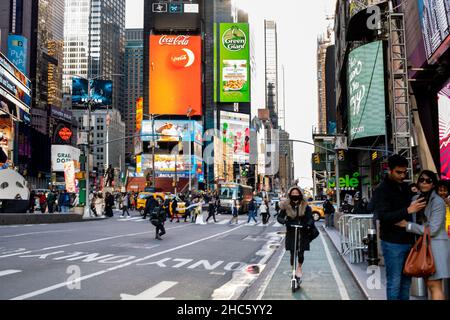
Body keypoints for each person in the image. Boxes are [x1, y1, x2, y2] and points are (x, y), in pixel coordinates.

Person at [371, 154, 427, 300]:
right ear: (389, 170)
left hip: (409, 241)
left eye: (405, 172)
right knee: (394, 283)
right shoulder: (381, 190)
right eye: (399, 172)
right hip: (392, 243)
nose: (403, 175)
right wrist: (407, 210)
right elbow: (383, 216)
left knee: (406, 283)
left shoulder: (405, 187)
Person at [395, 171, 450, 300]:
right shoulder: (416, 199)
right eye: (422, 180)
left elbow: (433, 229)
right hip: (423, 246)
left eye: (428, 180)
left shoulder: (438, 202)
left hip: (436, 247)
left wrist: (407, 225)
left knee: (434, 285)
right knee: (428, 284)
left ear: (433, 184)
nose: (424, 183)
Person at [277, 186, 318, 284]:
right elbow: (279, 217)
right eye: (293, 194)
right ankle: (293, 270)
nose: (295, 195)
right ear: (290, 195)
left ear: (300, 194)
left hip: (303, 232)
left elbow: (310, 218)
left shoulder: (305, 206)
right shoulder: (286, 205)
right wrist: (285, 221)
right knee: (292, 253)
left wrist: (308, 224)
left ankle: (299, 267)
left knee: (300, 253)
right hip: (291, 232)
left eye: (297, 194)